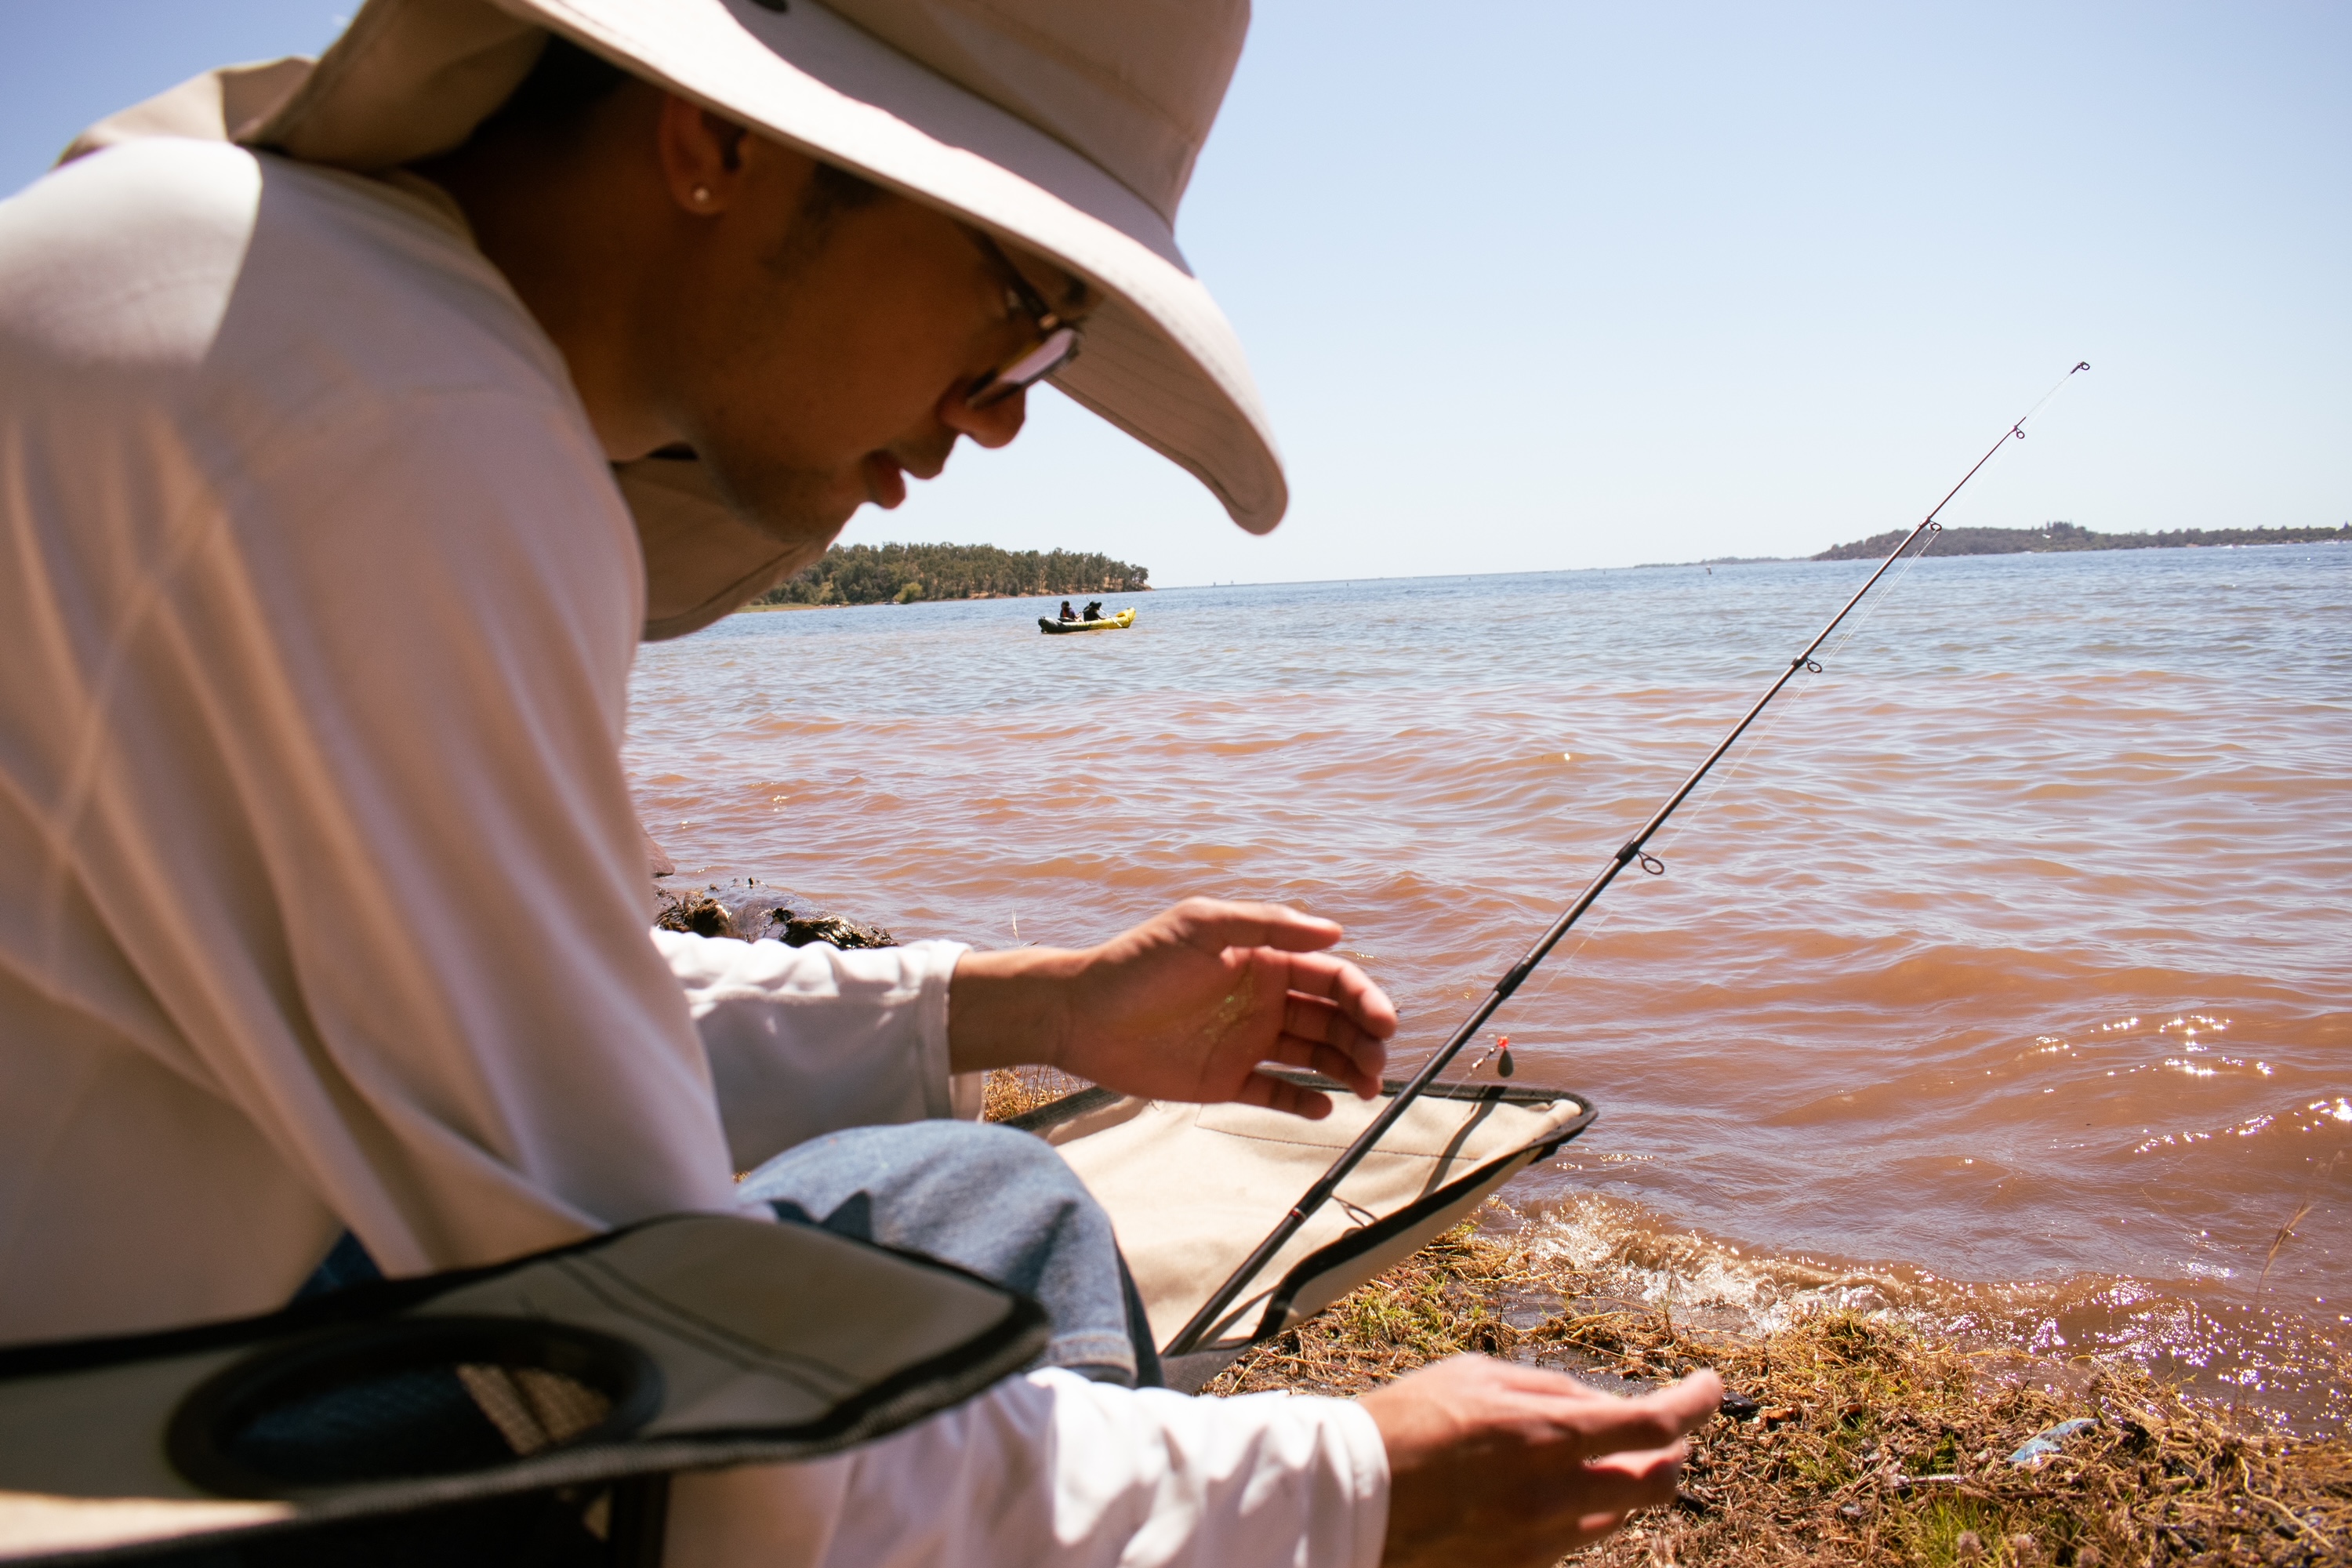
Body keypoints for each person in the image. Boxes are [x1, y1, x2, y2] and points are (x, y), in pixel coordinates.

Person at [0, 2, 1720, 1565]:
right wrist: (1349, 1487)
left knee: (989, 1190)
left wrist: (1031, 1000)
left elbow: (491, 1006)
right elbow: (689, 1392)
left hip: (132, 1351)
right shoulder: (408, 427)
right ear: (721, 137)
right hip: (91, 1450)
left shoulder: (264, 289)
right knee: (999, 1243)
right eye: (1019, 303)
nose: (1001, 415)